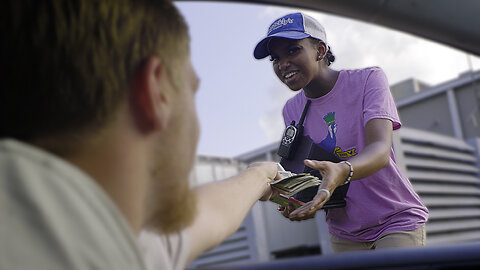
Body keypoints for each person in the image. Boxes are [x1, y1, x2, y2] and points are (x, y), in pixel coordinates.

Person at [1, 0, 279, 269]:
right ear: (156, 92)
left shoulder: (105, 233)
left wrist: (260, 174)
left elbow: (211, 213)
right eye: (192, 91)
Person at [253, 12, 429, 253]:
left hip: (394, 220)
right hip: (344, 234)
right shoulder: (291, 109)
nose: (282, 64)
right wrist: (298, 200)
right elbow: (308, 175)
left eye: (293, 50)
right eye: (275, 58)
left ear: (320, 50)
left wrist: (343, 170)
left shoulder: (368, 80)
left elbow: (379, 150)